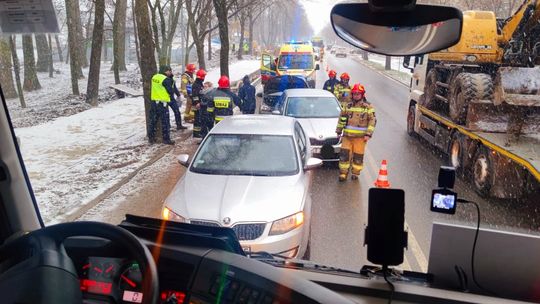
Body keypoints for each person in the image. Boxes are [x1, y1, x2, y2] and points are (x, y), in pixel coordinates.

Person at [335, 84, 376, 181]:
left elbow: (372, 121)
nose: (356, 96)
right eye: (355, 94)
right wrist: (338, 131)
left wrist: (368, 134)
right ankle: (343, 173)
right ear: (352, 95)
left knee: (358, 156)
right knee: (344, 155)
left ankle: (355, 173)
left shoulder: (368, 107)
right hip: (347, 137)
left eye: (358, 94)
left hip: (360, 138)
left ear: (362, 95)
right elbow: (342, 119)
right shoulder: (347, 106)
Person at [149, 65, 176, 145]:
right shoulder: (166, 79)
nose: (170, 72)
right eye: (169, 71)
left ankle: (151, 137)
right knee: (165, 122)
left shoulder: (154, 77)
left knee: (153, 121)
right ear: (165, 71)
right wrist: (171, 79)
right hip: (162, 104)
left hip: (154, 102)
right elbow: (171, 91)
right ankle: (166, 139)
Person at [191, 69, 207, 138]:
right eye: (204, 76)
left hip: (200, 104)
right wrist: (197, 103)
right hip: (197, 105)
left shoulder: (199, 83)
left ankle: (198, 132)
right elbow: (195, 95)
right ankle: (196, 133)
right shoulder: (196, 84)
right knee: (197, 119)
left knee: (199, 118)